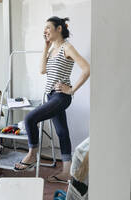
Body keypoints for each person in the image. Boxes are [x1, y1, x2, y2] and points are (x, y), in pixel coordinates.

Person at [14, 16, 90, 184]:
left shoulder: (67, 48)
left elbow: (86, 69)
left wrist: (71, 90)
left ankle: (32, 154)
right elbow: (42, 70)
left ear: (59, 29)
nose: (45, 31)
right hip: (51, 95)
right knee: (62, 132)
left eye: (48, 27)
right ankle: (66, 173)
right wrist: (46, 46)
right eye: (44, 29)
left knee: (29, 118)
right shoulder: (51, 49)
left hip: (61, 96)